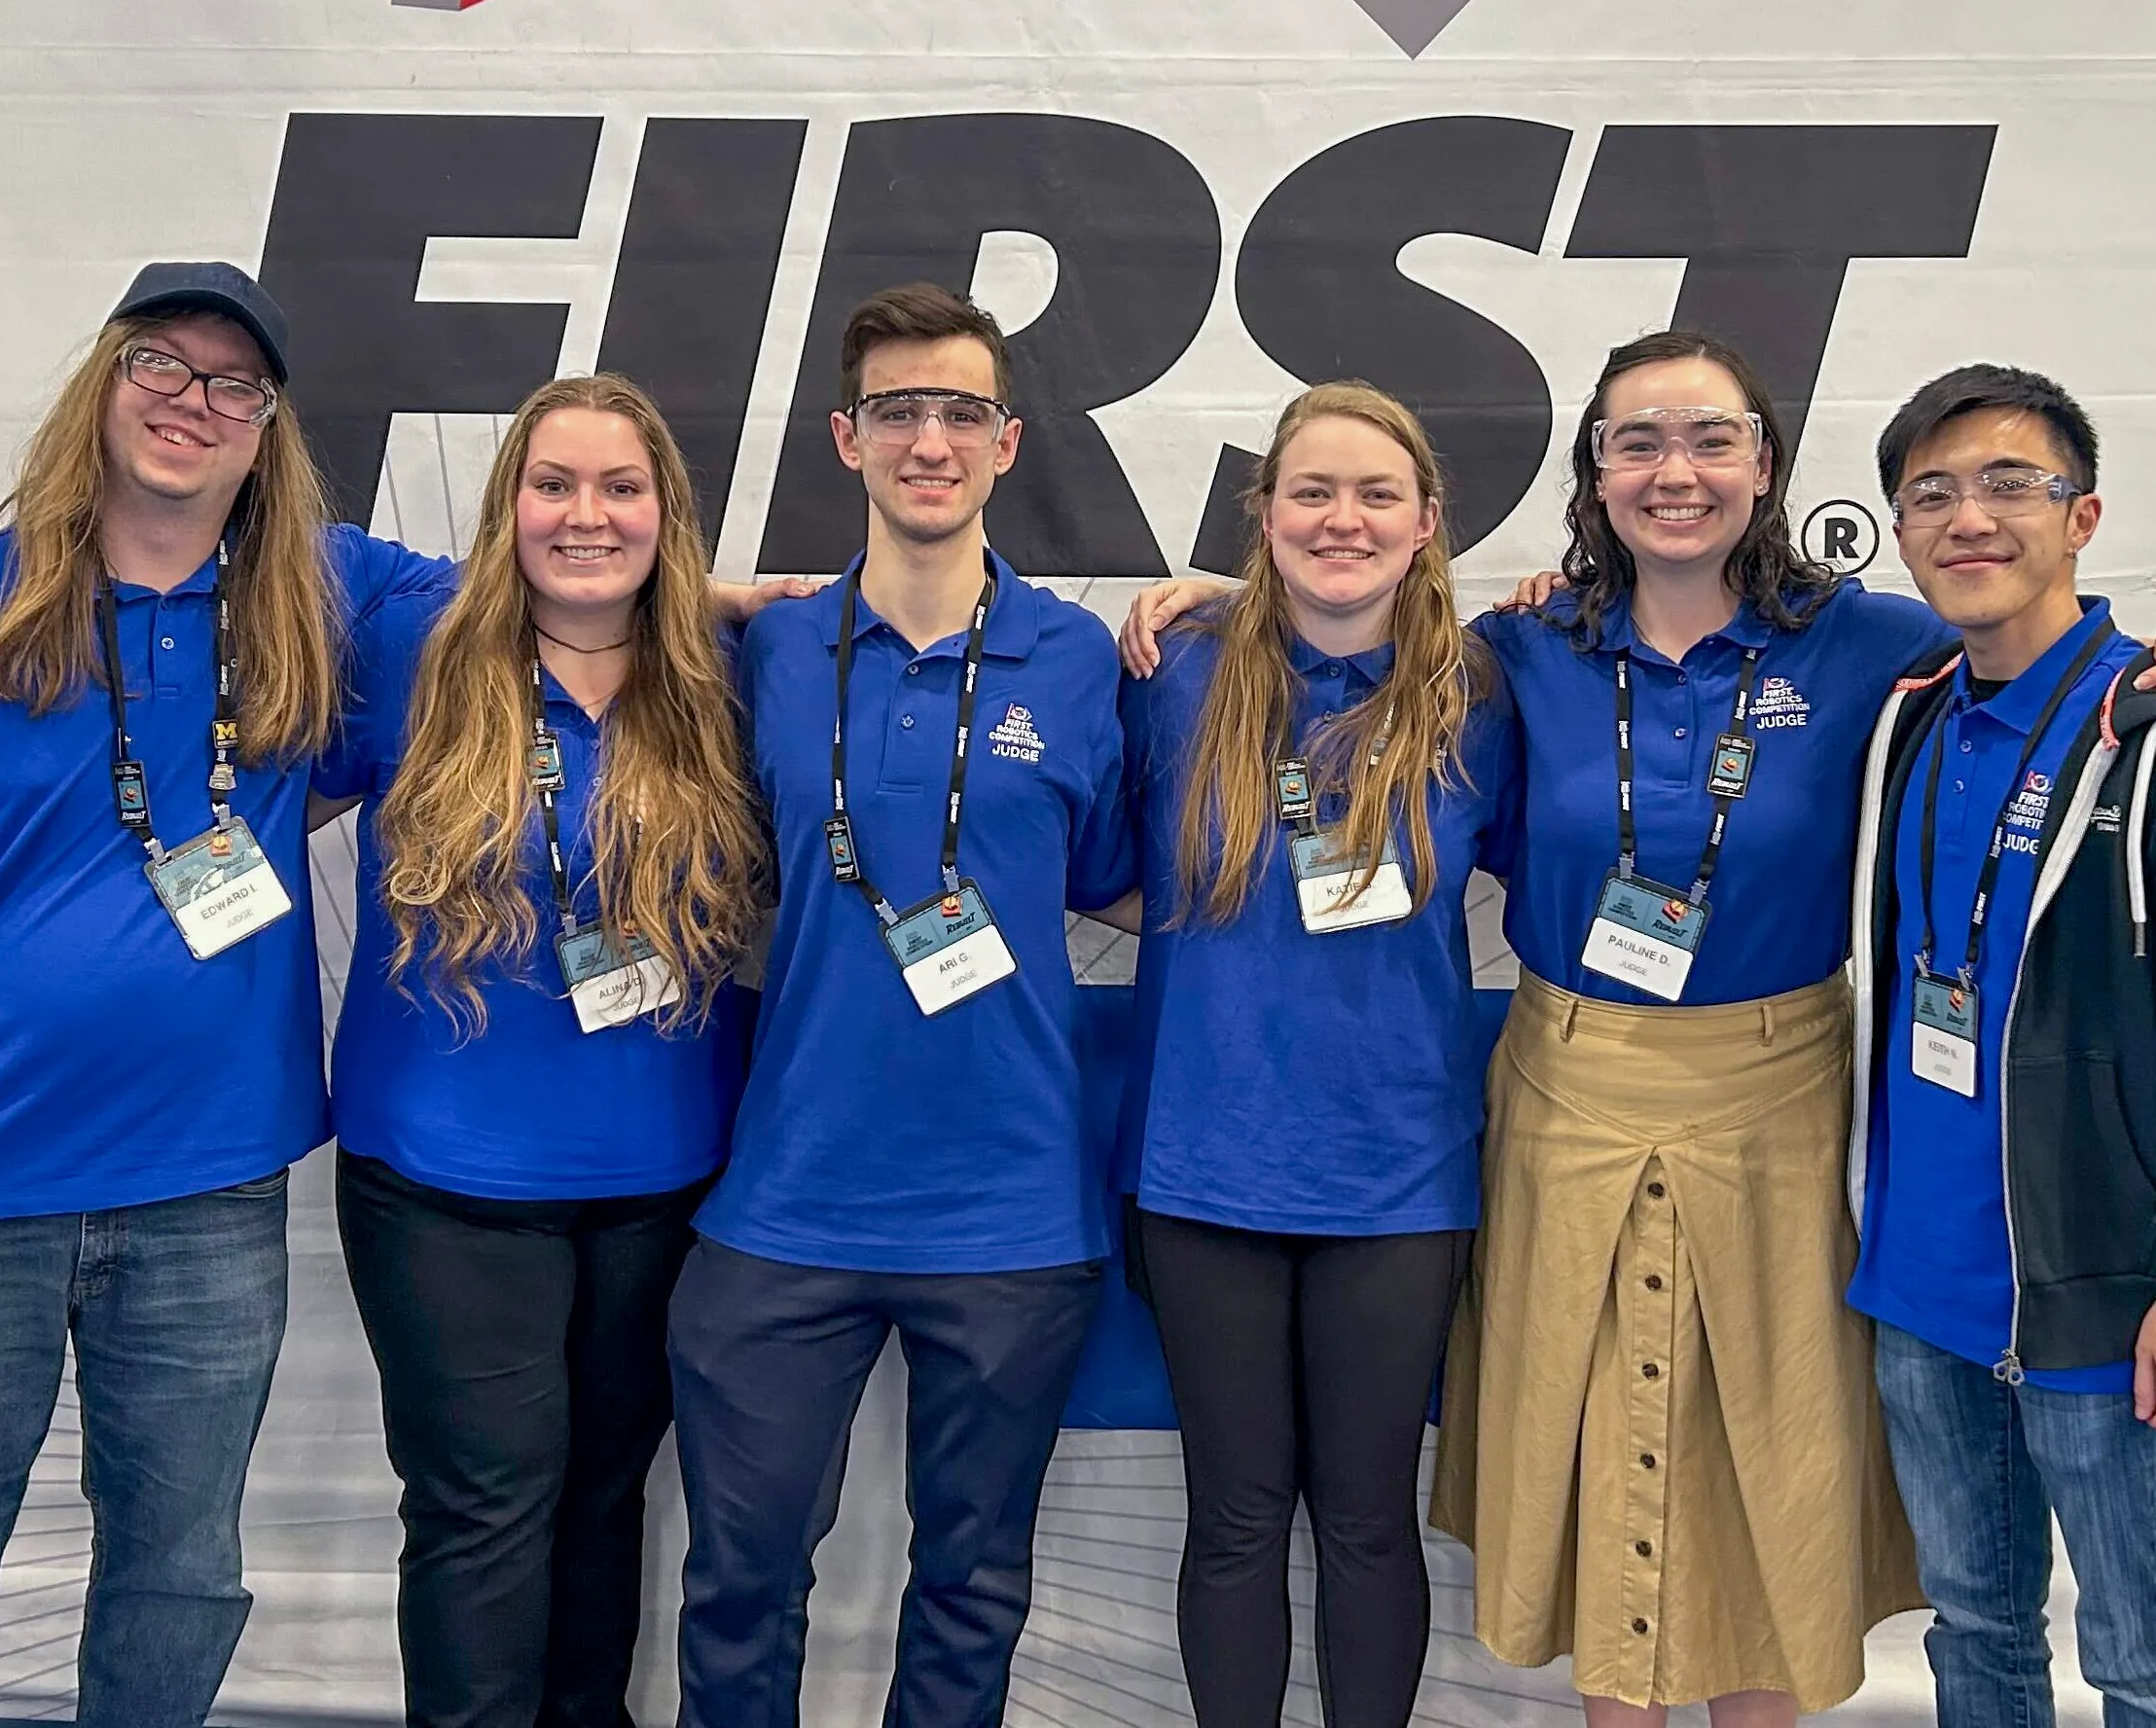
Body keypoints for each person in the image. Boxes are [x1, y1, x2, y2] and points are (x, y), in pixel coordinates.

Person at [1119, 330, 2156, 1726]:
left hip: (1777, 1104)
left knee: (1760, 1469)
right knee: (1595, 1460)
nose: (1676, 473)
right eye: (1637, 442)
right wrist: (1210, 603)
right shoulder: (1517, 651)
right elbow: (1338, 639)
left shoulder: (1872, 642)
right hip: (1565, 1093)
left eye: (1711, 441)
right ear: (1593, 471)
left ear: (1765, 466)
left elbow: (2043, 655)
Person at [0, 263, 432, 1728]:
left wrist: (733, 598)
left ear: (266, 426)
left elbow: (567, 583)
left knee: (181, 1578)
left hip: (207, 1191)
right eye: (161, 362)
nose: (190, 402)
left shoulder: (315, 599)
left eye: (232, 383)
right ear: (104, 382)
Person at [668, 284, 1137, 1728]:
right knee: (740, 1586)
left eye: (957, 413)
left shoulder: (1080, 658)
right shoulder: (765, 652)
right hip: (786, 1204)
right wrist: (704, 594)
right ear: (846, 438)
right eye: (896, 412)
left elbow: (1126, 887)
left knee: (972, 1589)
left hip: (1009, 1210)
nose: (927, 440)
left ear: (1004, 444)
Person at [1847, 364, 2156, 1728]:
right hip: (1919, 1293)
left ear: (2083, 515)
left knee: (2144, 1659)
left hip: (2102, 1298)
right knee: (1974, 1637)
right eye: (1930, 494)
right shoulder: (1911, 715)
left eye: (2010, 485)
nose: (1968, 518)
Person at [314, 375, 766, 1728]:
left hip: (664, 1176)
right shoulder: (416, 642)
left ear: (667, 516)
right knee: (485, 1503)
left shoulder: (725, 678)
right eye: (552, 485)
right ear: (503, 508)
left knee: (604, 1497)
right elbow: (276, 527)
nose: (587, 516)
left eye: (621, 488)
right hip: (445, 1178)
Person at [1113, 383, 1518, 1728]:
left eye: (1375, 496)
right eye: (1312, 493)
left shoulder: (1485, 690)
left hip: (1396, 1176)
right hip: (1202, 1164)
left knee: (1364, 1519)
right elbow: (1090, 859)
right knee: (1231, 1515)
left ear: (1426, 525)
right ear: (1262, 514)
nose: (1342, 520)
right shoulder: (1172, 670)